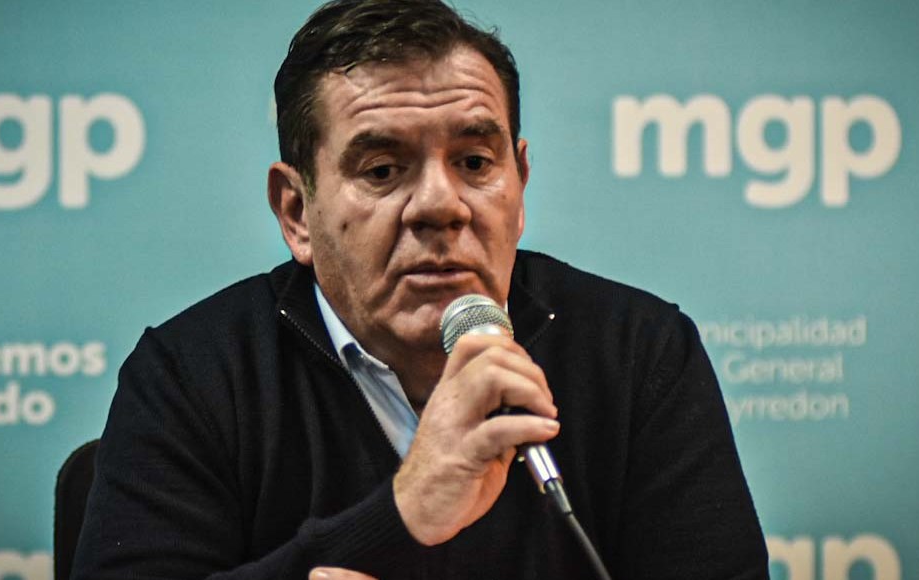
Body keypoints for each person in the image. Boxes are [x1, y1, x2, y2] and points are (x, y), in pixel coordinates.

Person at [71, 0, 769, 578]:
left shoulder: (639, 354)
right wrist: (401, 513)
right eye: (382, 169)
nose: (441, 204)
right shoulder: (191, 376)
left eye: (475, 162)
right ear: (297, 212)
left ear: (520, 185)